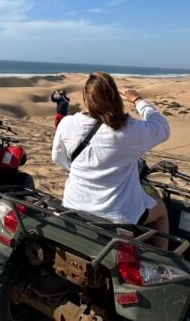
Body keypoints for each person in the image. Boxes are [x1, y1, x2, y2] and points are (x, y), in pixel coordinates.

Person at [51, 72, 170, 249]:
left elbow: (58, 158)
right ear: (115, 97)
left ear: (86, 96)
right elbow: (162, 127)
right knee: (161, 212)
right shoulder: (130, 129)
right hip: (118, 217)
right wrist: (137, 100)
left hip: (73, 206)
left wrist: (86, 170)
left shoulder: (67, 123)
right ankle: (161, 262)